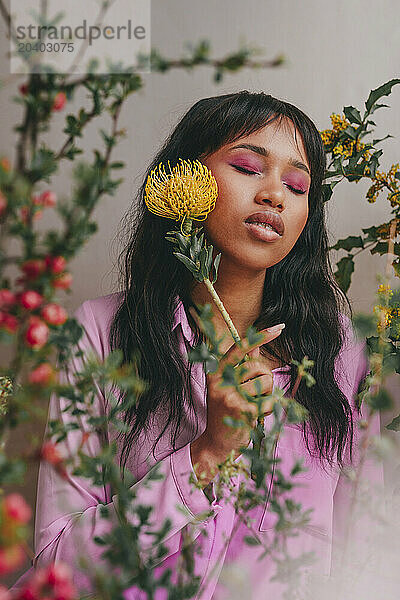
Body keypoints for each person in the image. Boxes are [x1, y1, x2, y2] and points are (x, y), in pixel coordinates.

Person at [12, 91, 384, 599]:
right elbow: (58, 573)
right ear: (187, 179)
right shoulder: (100, 333)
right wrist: (206, 455)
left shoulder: (344, 352)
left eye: (298, 185)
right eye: (249, 167)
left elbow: (366, 552)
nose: (275, 194)